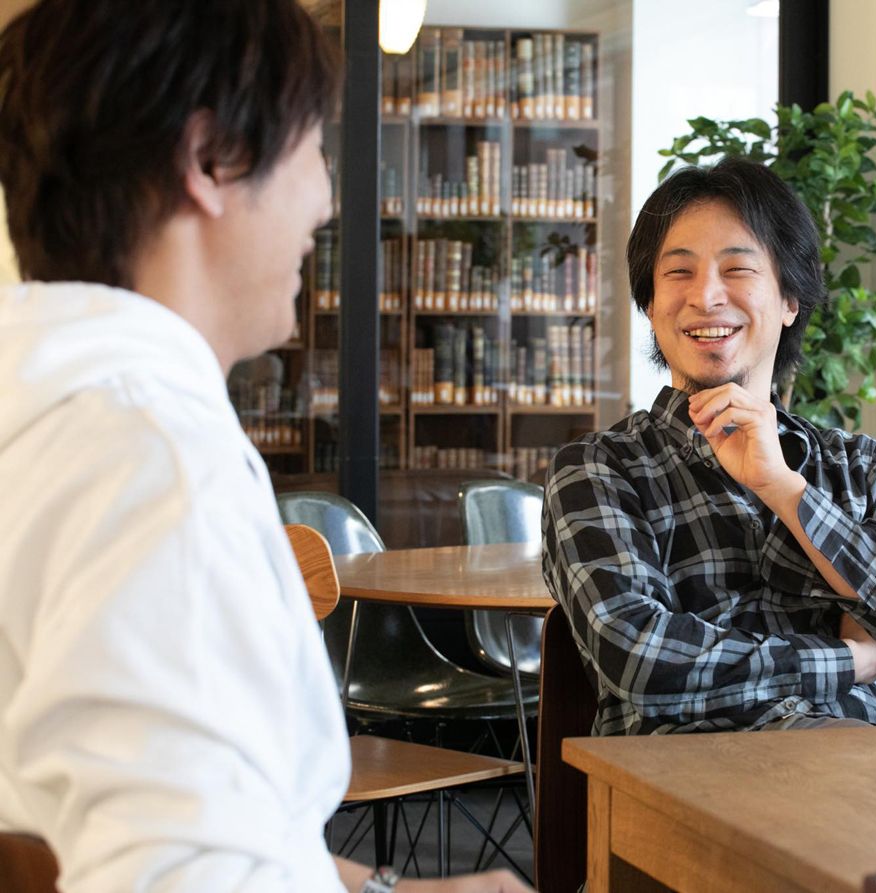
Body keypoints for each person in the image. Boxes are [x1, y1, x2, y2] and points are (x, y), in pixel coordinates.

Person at [0, 2, 530, 891]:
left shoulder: (47, 404)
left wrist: (387, 886)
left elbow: (159, 825)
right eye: (313, 145)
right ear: (212, 159)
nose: (326, 196)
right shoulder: (156, 459)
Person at [542, 157, 876, 736]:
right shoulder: (598, 470)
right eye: (678, 272)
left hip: (864, 771)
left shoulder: (865, 467)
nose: (706, 296)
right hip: (689, 776)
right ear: (649, 305)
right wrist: (851, 660)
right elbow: (639, 658)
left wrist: (786, 490)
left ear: (790, 299)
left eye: (737, 269)